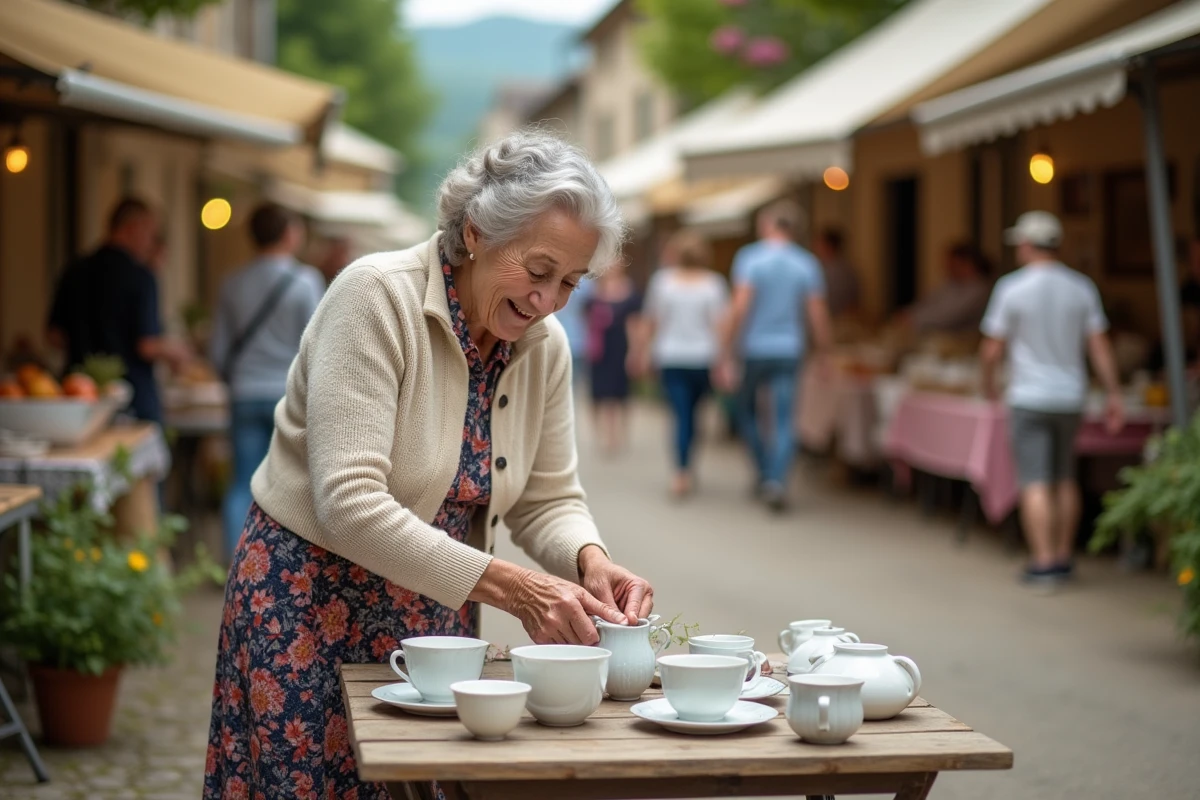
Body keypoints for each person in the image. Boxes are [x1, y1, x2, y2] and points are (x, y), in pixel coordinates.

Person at [203, 131, 654, 800]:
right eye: (537, 271)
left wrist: (589, 559)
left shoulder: (544, 346)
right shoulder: (375, 296)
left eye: (570, 281)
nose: (549, 301)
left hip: (433, 610)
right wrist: (518, 589)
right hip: (308, 601)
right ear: (476, 232)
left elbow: (546, 497)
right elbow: (348, 502)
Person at [979, 211, 1123, 589]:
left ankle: (1042, 561)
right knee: (1064, 477)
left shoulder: (1012, 287)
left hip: (1028, 395)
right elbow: (1100, 346)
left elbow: (991, 349)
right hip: (1070, 396)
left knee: (1035, 480)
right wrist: (1113, 391)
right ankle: (1063, 556)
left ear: (1026, 245)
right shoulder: (1082, 287)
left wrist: (988, 384)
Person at [208, 203, 325, 559]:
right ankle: (276, 561)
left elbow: (217, 349)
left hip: (243, 391)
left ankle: (236, 559)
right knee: (288, 481)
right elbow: (318, 344)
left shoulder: (233, 282)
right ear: (289, 233)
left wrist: (236, 378)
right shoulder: (306, 281)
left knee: (241, 481)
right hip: (288, 394)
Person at [721, 200, 833, 511]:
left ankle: (764, 470)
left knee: (746, 411)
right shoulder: (807, 263)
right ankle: (777, 479)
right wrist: (825, 353)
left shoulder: (751, 259)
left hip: (754, 349)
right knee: (785, 418)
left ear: (768, 225)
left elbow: (740, 308)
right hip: (790, 349)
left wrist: (726, 351)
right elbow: (818, 314)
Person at [47, 197, 190, 424]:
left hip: (79, 397)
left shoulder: (75, 270)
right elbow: (146, 345)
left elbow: (55, 336)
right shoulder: (141, 276)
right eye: (149, 233)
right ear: (132, 228)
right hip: (132, 398)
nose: (150, 242)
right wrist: (176, 351)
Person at [630, 230, 729, 498]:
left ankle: (681, 470)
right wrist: (725, 360)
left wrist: (639, 353)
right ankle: (685, 467)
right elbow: (720, 327)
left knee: (681, 414)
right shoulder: (714, 284)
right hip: (702, 359)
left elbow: (650, 321)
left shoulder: (663, 282)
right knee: (693, 416)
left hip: (671, 357)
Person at [585, 263, 642, 455]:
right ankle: (601, 434)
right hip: (599, 349)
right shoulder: (594, 292)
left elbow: (634, 325)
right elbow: (588, 323)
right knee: (598, 393)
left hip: (620, 347)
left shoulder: (629, 292)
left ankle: (617, 434)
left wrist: (635, 351)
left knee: (619, 393)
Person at [902, 243, 992, 334]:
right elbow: (929, 303)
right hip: (935, 333)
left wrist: (915, 319)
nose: (948, 268)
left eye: (954, 264)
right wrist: (909, 314)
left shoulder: (978, 290)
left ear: (968, 264)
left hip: (959, 339)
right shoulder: (952, 285)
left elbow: (951, 316)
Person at [812, 227, 860, 319]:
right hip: (844, 320)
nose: (815, 247)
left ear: (828, 246)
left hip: (834, 320)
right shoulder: (849, 270)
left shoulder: (829, 273)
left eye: (819, 244)